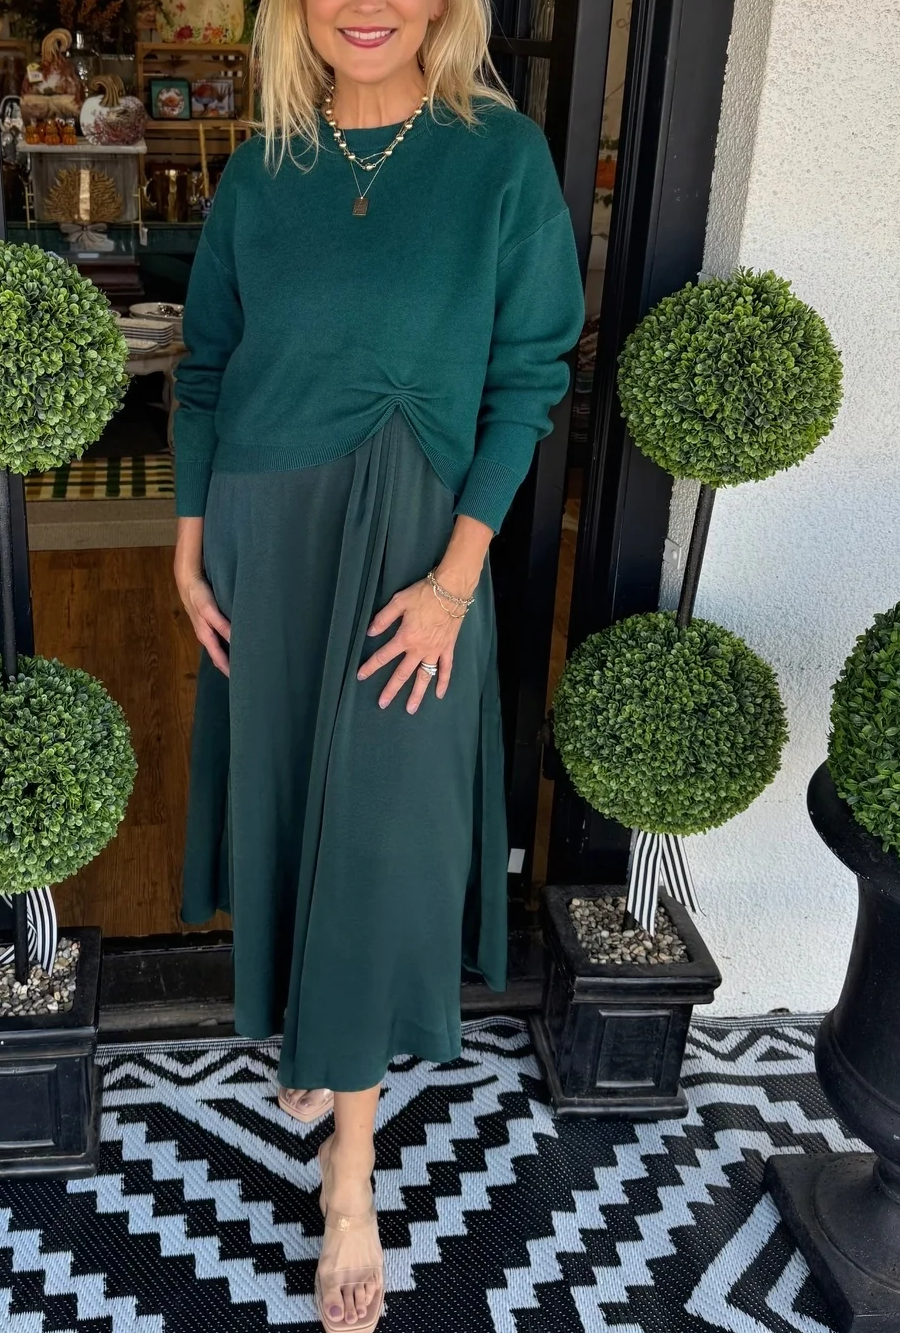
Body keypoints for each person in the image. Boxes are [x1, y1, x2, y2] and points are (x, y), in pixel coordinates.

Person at [172, 0, 584, 1322]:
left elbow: (528, 376)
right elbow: (206, 367)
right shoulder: (260, 168)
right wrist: (189, 543)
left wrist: (455, 583)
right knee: (297, 807)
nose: (367, 4)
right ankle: (321, 1037)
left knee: (378, 832)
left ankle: (349, 1175)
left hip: (415, 555)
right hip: (264, 536)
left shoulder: (496, 157)